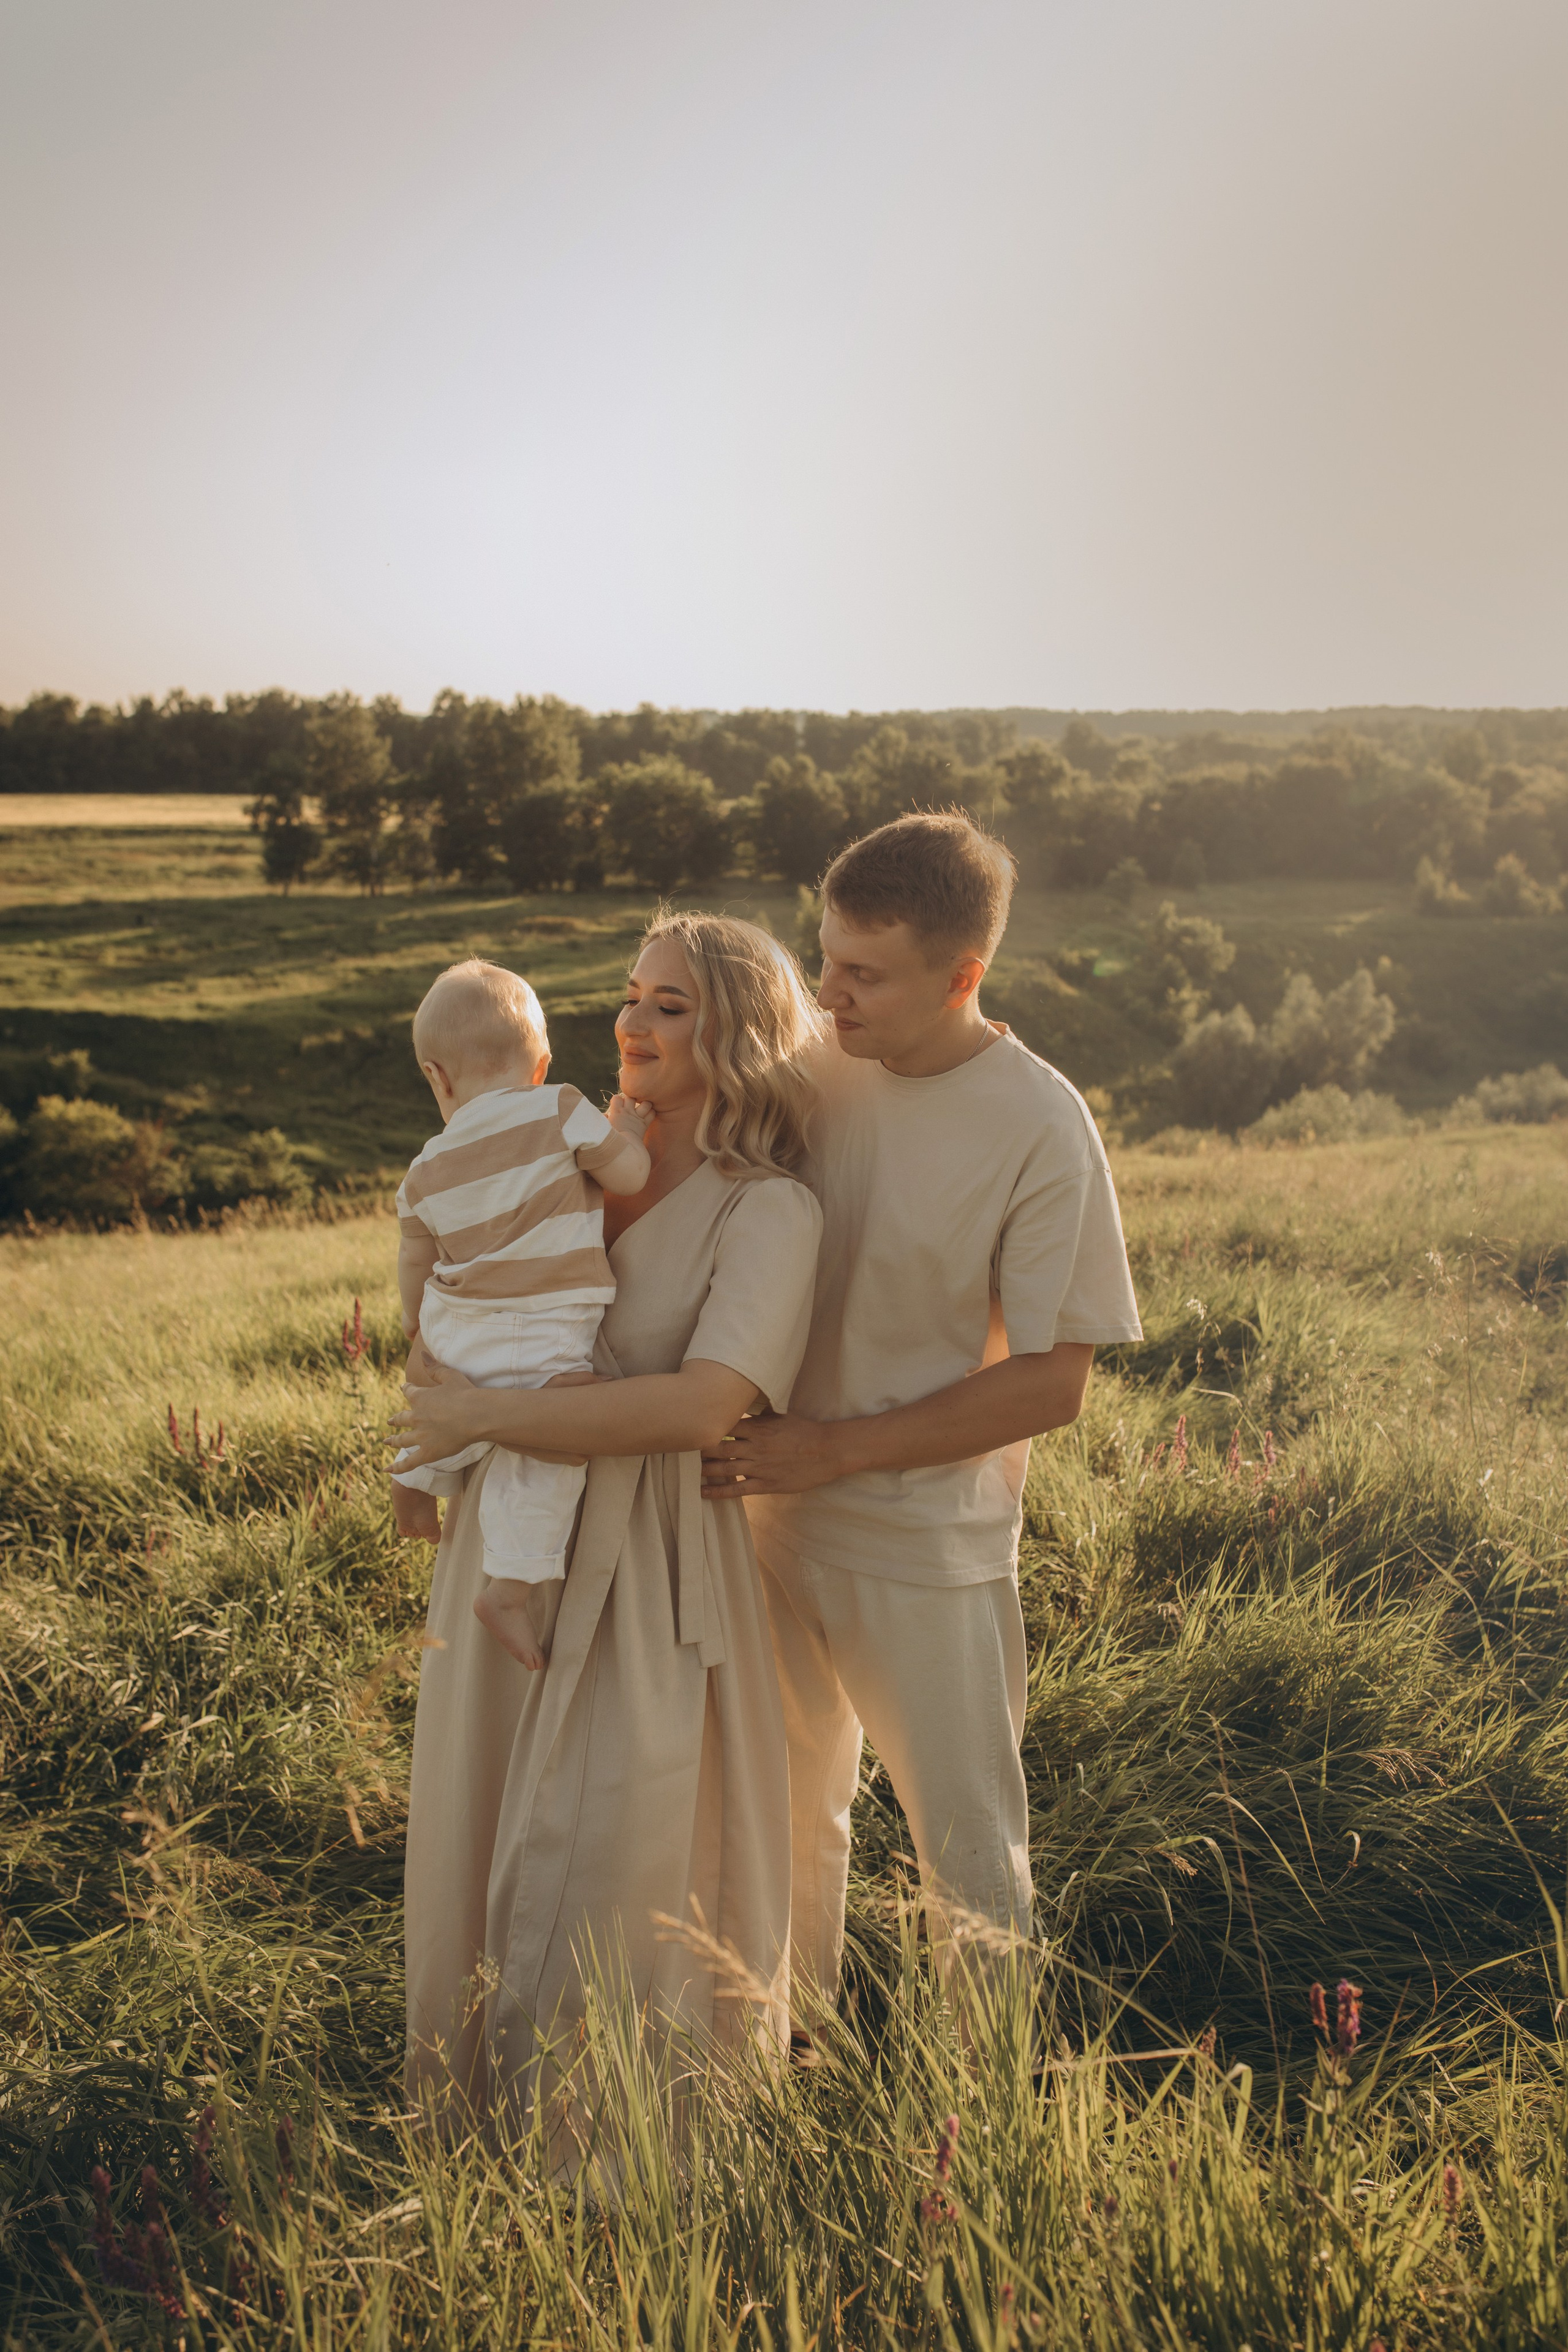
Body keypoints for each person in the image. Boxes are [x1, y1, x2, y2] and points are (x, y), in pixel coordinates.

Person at [701, 812, 1142, 2023]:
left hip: (923, 1543)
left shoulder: (1041, 1126)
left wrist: (831, 1448)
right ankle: (783, 2060)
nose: (827, 995)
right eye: (824, 958)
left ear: (962, 976)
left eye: (862, 974)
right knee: (783, 1813)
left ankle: (982, 2118)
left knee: (968, 1848)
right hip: (761, 1515)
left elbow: (1051, 1382)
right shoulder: (814, 1060)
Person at [394, 913, 825, 2132]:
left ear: (737, 1034)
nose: (632, 1023)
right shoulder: (549, 1157)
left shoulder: (768, 1210)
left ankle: (622, 2162)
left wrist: (474, 1409)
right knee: (482, 1829)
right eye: (631, 996)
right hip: (506, 1542)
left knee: (625, 1864)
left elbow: (702, 1405)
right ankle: (470, 2137)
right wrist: (444, 1416)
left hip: (653, 1563)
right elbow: (444, 1305)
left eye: (671, 1005)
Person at [390, 959, 654, 1659]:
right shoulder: (560, 1107)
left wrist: (418, 1323)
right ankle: (509, 1589)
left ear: (436, 1078)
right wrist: (624, 1129)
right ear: (540, 1065)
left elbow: (415, 1260)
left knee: (441, 1395)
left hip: (457, 1316)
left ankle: (413, 1485)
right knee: (549, 1444)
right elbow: (629, 1175)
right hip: (545, 1323)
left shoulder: (423, 1169)